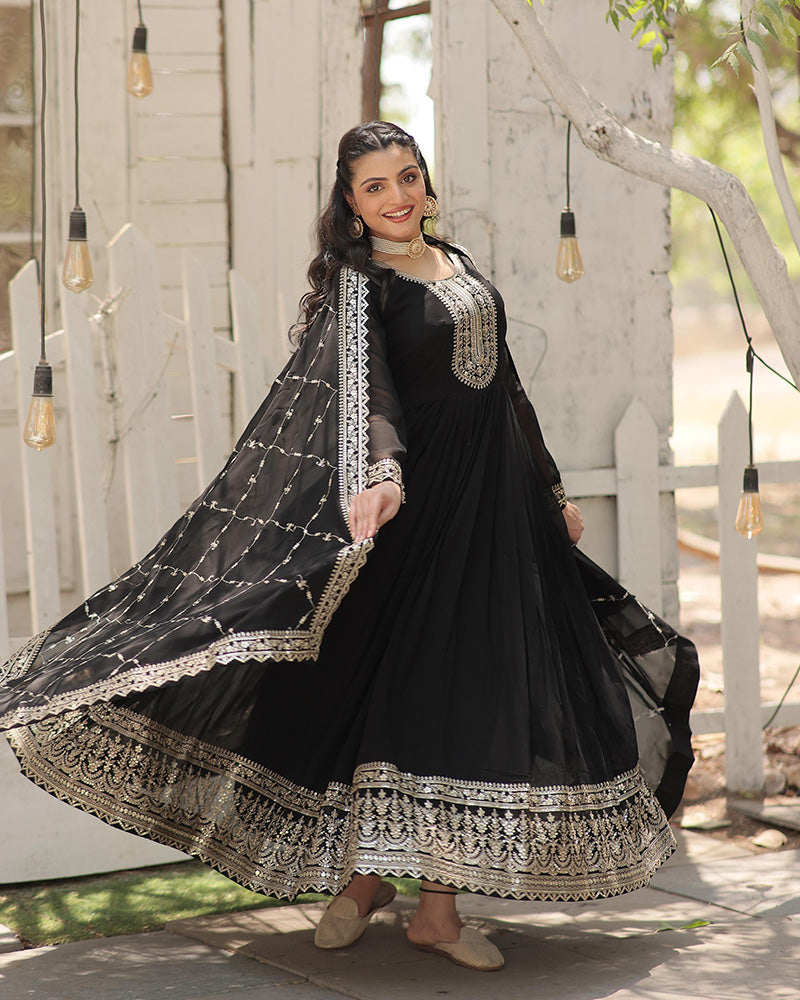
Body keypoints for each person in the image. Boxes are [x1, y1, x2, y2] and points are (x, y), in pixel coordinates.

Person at [0, 121, 698, 974]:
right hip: (416, 519)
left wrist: (551, 491)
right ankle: (368, 882)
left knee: (473, 695)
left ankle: (434, 910)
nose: (397, 196)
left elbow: (507, 387)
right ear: (351, 203)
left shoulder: (458, 264)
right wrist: (387, 476)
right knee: (395, 695)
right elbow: (372, 397)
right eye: (375, 186)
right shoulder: (360, 284)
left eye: (407, 176)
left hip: (498, 515)